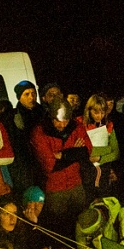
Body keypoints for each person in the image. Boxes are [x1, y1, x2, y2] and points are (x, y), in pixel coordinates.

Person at [30, 97, 93, 238]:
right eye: (58, 121)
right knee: (59, 226)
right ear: (51, 117)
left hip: (76, 184)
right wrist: (74, 153)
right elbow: (50, 165)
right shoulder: (40, 132)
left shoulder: (76, 126)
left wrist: (63, 155)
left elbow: (87, 150)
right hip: (55, 189)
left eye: (66, 120)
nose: (63, 124)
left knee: (81, 224)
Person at [81, 93, 120, 198]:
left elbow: (115, 153)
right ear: (89, 110)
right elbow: (83, 151)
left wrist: (100, 157)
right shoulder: (80, 125)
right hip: (86, 175)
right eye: (96, 112)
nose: (99, 116)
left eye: (102, 112)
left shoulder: (109, 126)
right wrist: (107, 149)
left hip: (104, 174)